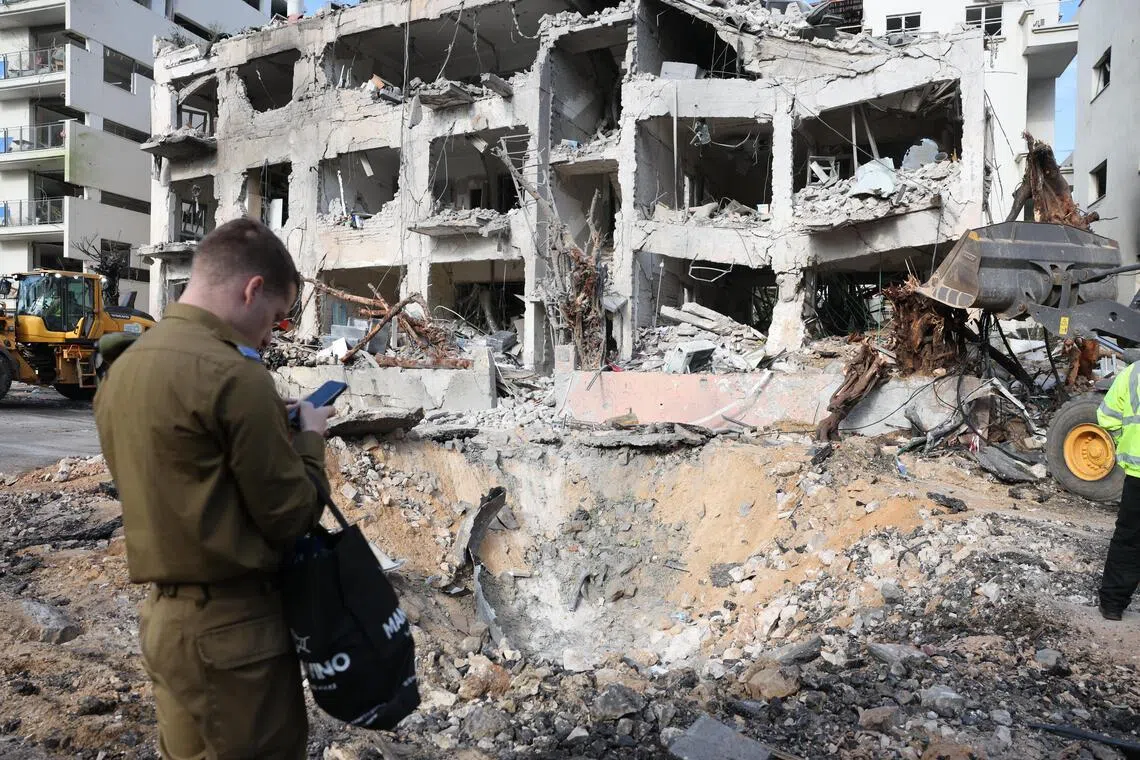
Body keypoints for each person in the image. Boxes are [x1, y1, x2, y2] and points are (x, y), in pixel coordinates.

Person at [94, 218, 334, 758]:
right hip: (236, 632)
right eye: (274, 317)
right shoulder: (237, 377)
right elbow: (292, 514)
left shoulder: (122, 368)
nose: (271, 334)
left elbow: (186, 468)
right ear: (251, 289)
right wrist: (310, 440)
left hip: (165, 625)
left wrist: (270, 419)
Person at [1096, 366, 1140, 621]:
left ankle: (1112, 605)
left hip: (1138, 471)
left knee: (1128, 539)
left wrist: (1126, 438)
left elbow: (1107, 417)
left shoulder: (1133, 373)